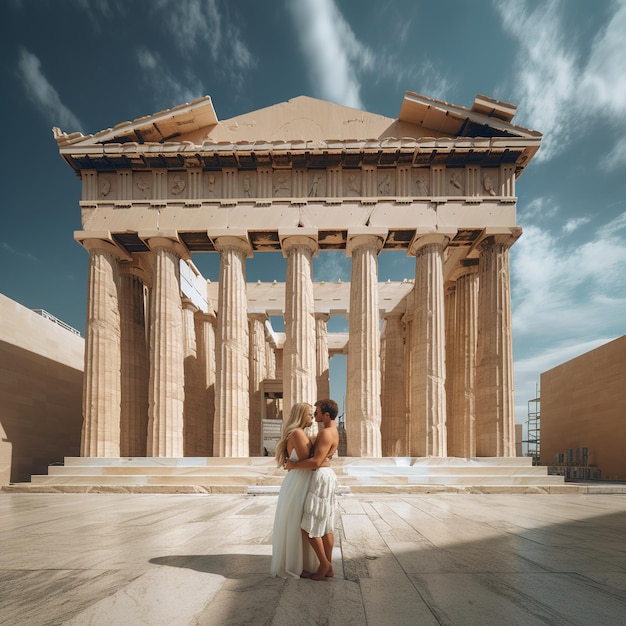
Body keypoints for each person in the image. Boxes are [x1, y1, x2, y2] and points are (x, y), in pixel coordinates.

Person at [285, 398, 339, 581]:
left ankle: (324, 565)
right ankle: (329, 566)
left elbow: (315, 462)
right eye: (311, 412)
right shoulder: (332, 431)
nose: (314, 415)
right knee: (325, 525)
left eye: (315, 412)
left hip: (321, 477)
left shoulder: (325, 434)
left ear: (326, 415)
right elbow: (320, 457)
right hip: (328, 475)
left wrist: (293, 466)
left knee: (308, 526)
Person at [270, 403, 319, 578]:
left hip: (298, 480)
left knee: (297, 520)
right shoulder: (298, 433)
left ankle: (301, 562)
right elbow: (307, 459)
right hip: (299, 480)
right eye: (309, 415)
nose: (312, 418)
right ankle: (296, 565)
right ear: (300, 416)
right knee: (298, 521)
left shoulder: (299, 433)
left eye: (313, 415)